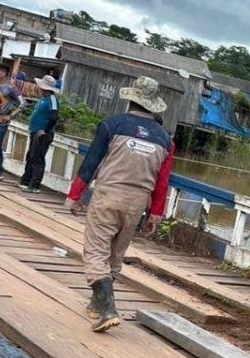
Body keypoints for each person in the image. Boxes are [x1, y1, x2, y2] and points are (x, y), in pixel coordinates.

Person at [65, 76, 174, 333]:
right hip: (137, 203)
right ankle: (97, 304)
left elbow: (91, 161)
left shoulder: (112, 124)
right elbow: (162, 182)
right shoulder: (165, 140)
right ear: (153, 105)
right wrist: (155, 214)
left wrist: (75, 194)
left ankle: (108, 308)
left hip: (109, 195)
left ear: (131, 99)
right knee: (115, 255)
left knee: (95, 251)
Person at [18, 75, 62, 192]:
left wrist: (45, 130)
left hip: (42, 133)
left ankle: (35, 185)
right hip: (35, 131)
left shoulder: (52, 99)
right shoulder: (43, 99)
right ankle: (26, 181)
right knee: (31, 156)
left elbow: (54, 117)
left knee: (38, 158)